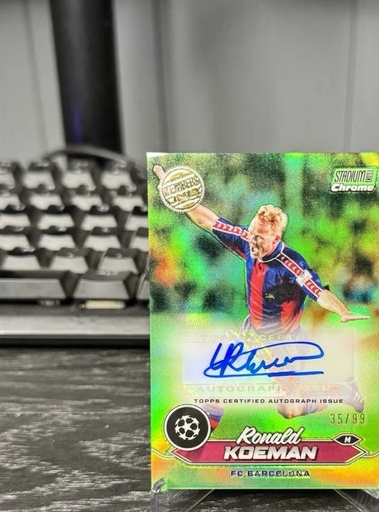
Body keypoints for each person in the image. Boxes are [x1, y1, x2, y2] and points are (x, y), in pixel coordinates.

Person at [154, 166, 365, 421]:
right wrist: (177, 195)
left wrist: (342, 311)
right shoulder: (247, 239)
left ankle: (344, 391)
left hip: (284, 345)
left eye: (260, 239)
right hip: (252, 334)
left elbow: (318, 292)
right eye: (252, 234)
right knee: (217, 384)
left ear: (276, 237)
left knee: (290, 410)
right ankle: (201, 434)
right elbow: (206, 220)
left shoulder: (292, 265)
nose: (252, 242)